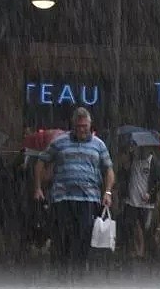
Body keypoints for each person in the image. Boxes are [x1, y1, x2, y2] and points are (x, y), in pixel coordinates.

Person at [34, 108, 114, 275]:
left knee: (83, 238)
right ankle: (61, 275)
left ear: (90, 125)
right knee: (61, 239)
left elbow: (109, 170)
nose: (81, 129)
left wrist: (107, 192)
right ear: (73, 125)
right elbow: (41, 161)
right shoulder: (59, 142)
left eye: (84, 126)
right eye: (78, 126)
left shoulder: (99, 145)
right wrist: (38, 187)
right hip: (62, 198)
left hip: (88, 199)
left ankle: (78, 275)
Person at [121, 142, 160, 262]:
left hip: (146, 202)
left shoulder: (153, 162)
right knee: (133, 224)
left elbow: (158, 181)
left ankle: (146, 249)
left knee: (144, 226)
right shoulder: (133, 159)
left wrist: (150, 193)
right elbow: (125, 173)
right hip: (132, 200)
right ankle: (138, 249)